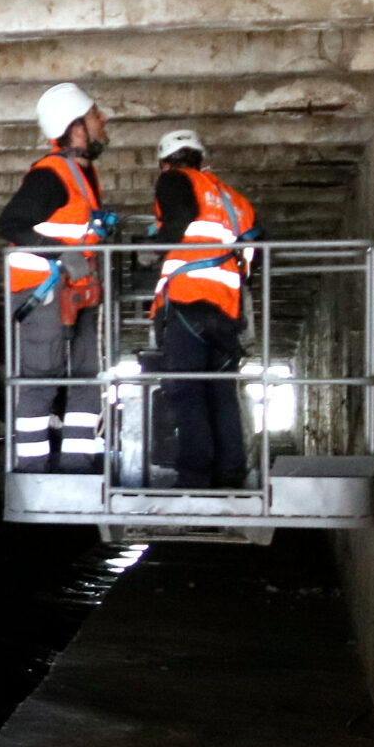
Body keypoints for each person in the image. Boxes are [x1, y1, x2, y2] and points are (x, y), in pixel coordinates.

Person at [0, 83, 114, 474]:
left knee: (87, 379)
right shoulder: (50, 176)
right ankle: (32, 474)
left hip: (79, 293)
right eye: (95, 115)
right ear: (76, 128)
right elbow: (10, 224)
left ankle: (78, 466)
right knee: (39, 380)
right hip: (43, 294)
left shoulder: (83, 173)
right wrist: (61, 254)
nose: (103, 119)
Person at [149, 128, 259, 488]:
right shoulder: (232, 198)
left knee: (187, 391)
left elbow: (180, 218)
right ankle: (229, 475)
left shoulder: (174, 180)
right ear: (199, 156)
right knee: (221, 393)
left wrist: (153, 249)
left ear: (166, 163)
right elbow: (256, 245)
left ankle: (194, 478)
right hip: (225, 308)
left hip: (187, 299)